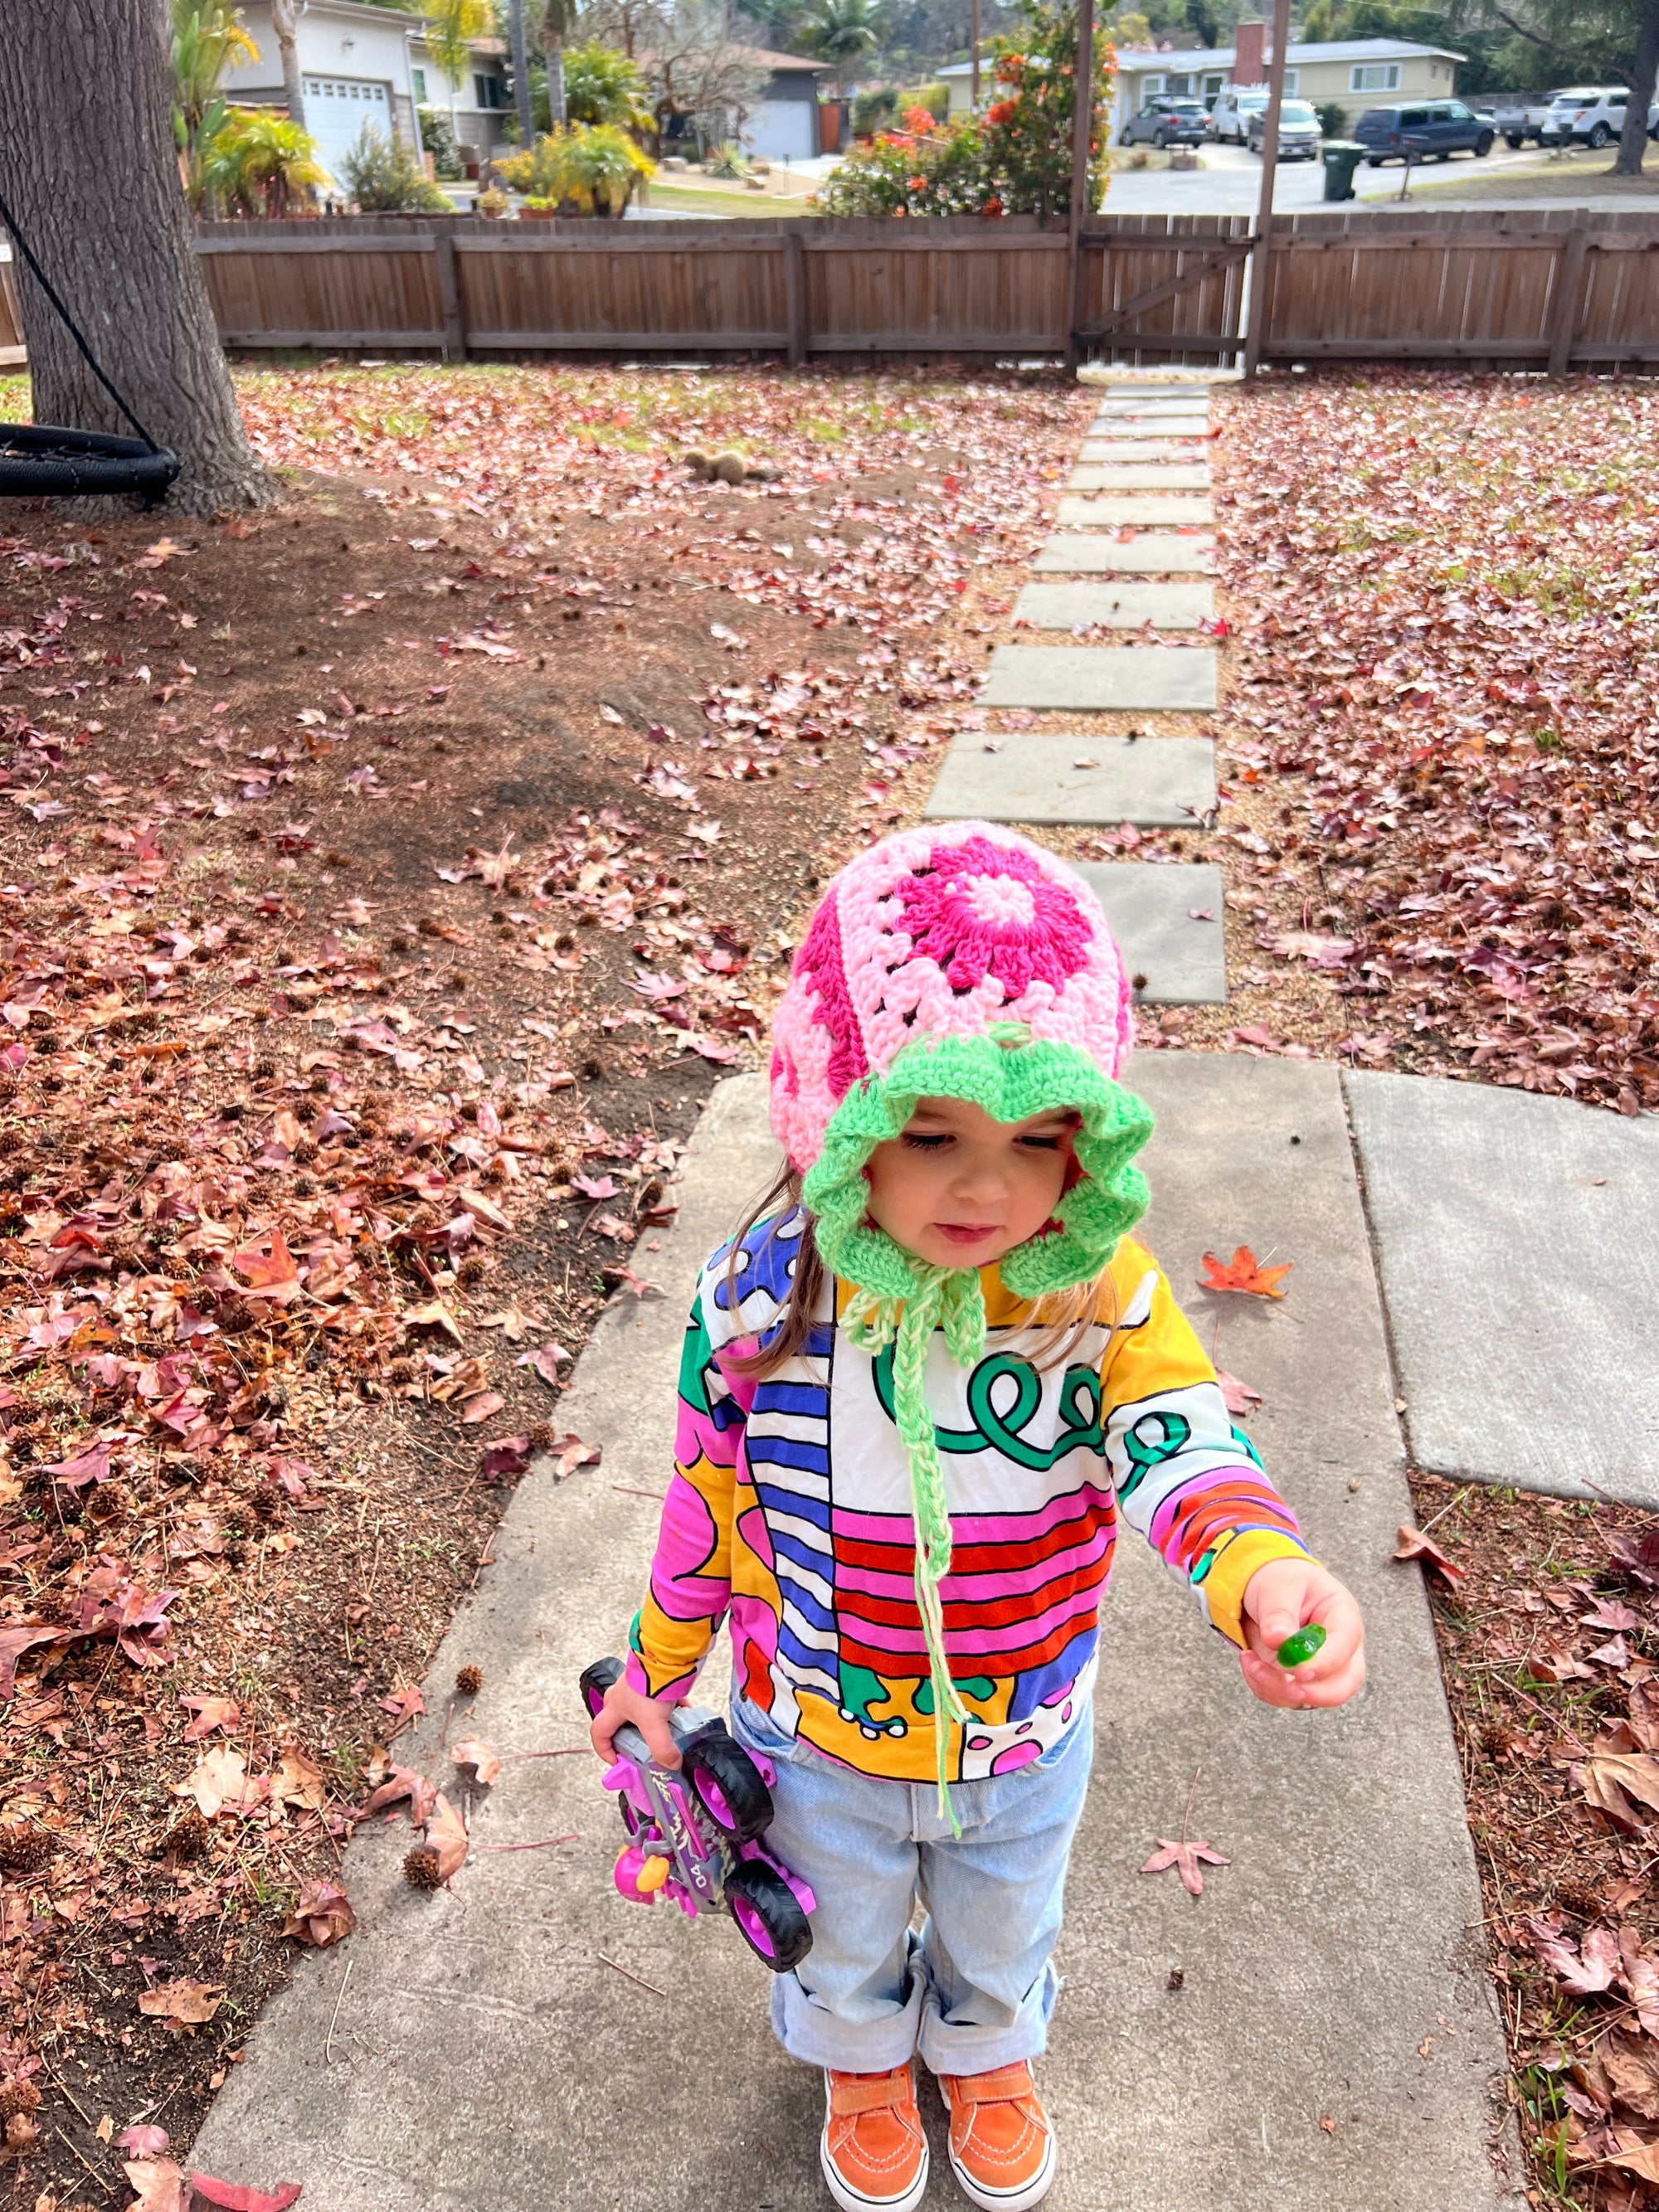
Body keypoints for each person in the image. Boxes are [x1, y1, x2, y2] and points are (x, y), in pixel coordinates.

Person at [590, 822, 1365, 2212]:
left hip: (1026, 1727)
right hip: (817, 1721)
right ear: (838, 1115)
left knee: (1007, 1913)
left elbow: (1174, 1437)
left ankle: (990, 2047)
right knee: (839, 1925)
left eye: (1039, 1141)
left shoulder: (1100, 1300)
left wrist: (1256, 1562)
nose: (990, 1187)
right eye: (930, 1133)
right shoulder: (764, 1303)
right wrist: (652, 1678)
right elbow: (704, 1491)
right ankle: (861, 2058)